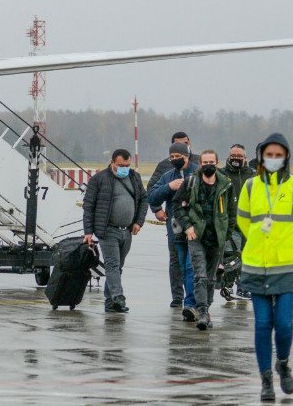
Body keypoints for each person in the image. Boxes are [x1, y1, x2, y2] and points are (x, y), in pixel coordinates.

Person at [237, 133, 293, 402]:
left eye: (278, 155)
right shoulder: (250, 186)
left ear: (286, 157)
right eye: (269, 155)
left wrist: (291, 244)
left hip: (288, 265)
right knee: (262, 324)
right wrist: (259, 242)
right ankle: (266, 379)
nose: (273, 159)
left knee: (283, 323)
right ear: (261, 157)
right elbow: (243, 221)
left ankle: (283, 363)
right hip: (256, 264)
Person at [173, 149, 236, 330]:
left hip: (216, 238)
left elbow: (232, 213)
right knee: (199, 276)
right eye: (205, 162)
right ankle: (201, 312)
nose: (208, 165)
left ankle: (206, 309)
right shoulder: (191, 182)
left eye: (211, 162)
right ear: (200, 164)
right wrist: (187, 226)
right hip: (197, 236)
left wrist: (226, 234)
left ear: (217, 163)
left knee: (210, 278)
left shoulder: (226, 185)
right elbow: (177, 206)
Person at [82, 148, 147, 313]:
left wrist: (138, 222)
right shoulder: (99, 179)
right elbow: (88, 206)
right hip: (107, 230)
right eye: (121, 165)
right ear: (112, 162)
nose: (124, 168)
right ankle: (118, 297)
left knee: (118, 267)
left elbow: (143, 199)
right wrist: (88, 231)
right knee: (112, 264)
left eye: (127, 165)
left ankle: (110, 302)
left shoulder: (134, 177)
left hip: (127, 231)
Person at [147, 141, 198, 319]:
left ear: (187, 156)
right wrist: (169, 187)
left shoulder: (197, 172)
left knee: (192, 265)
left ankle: (191, 302)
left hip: (195, 227)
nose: (175, 159)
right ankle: (182, 297)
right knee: (181, 265)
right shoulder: (168, 175)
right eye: (172, 157)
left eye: (179, 156)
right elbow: (152, 196)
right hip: (176, 228)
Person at [219, 143, 254, 298]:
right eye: (233, 156)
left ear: (245, 158)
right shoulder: (221, 174)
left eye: (239, 156)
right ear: (228, 157)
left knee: (247, 256)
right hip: (229, 222)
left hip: (249, 223)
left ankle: (244, 287)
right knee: (231, 255)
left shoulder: (253, 175)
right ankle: (227, 285)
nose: (236, 159)